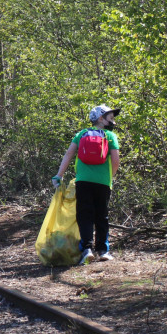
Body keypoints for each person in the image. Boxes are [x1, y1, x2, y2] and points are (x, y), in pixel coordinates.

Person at [52, 104, 121, 265]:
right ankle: (103, 251)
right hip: (103, 181)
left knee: (85, 215)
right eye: (110, 117)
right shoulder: (110, 136)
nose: (113, 121)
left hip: (82, 181)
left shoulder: (81, 134)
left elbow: (69, 154)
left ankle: (86, 250)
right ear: (101, 119)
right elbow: (116, 161)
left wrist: (59, 175)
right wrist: (109, 177)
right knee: (101, 215)